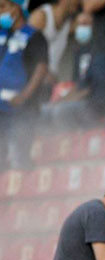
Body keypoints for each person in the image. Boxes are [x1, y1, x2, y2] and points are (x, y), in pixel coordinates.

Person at [0, 0, 49, 170]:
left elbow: (41, 68)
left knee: (21, 154)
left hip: (23, 107)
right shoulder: (2, 35)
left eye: (3, 6)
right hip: (1, 108)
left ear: (17, 8)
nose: (0, 12)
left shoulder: (35, 36)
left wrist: (24, 96)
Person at [28, 0, 78, 74]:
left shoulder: (68, 23)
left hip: (52, 78)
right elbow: (26, 51)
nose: (79, 2)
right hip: (34, 76)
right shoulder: (41, 16)